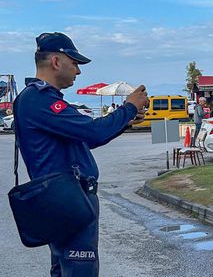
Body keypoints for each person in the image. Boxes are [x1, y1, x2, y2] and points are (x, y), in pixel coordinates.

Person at [12, 32, 148, 277]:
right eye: (74, 63)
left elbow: (84, 140)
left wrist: (125, 121)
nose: (78, 71)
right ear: (56, 62)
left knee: (65, 269)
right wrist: (129, 107)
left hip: (62, 199)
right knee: (79, 270)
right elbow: (93, 132)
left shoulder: (37, 98)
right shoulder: (40, 100)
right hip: (69, 200)